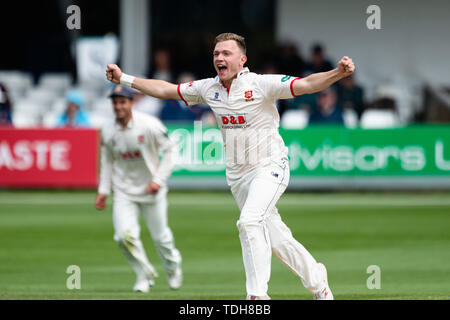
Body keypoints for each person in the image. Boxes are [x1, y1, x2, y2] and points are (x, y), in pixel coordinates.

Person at [105, 32, 355, 300]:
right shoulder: (208, 88)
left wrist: (336, 74)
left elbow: (306, 84)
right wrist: (124, 79)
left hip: (270, 166)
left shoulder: (261, 84)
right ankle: (319, 283)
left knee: (248, 223)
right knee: (278, 240)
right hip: (238, 177)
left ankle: (257, 296)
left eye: (226, 53)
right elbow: (167, 90)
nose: (219, 58)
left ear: (242, 59)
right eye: (216, 54)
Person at [94, 85, 182, 293]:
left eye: (122, 102)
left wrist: (158, 180)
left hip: (151, 190)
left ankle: (172, 267)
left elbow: (170, 150)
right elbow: (107, 161)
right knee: (123, 236)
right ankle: (144, 274)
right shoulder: (107, 130)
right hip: (124, 190)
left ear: (132, 103)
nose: (118, 106)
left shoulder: (149, 125)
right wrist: (103, 191)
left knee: (162, 238)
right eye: (115, 102)